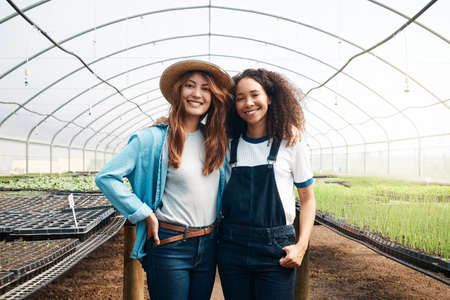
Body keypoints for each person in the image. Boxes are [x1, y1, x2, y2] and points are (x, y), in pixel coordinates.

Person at [95, 60, 232, 300]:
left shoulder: (216, 141)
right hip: (170, 244)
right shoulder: (153, 139)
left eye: (205, 88)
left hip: (209, 245)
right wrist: (143, 212)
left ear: (214, 97)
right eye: (190, 85)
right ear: (178, 91)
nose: (197, 94)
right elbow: (107, 177)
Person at [218, 68, 316, 300]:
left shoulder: (291, 144)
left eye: (255, 95)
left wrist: (301, 246)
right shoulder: (228, 144)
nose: (248, 103)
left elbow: (308, 200)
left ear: (270, 97)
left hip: (276, 249)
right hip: (233, 245)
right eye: (240, 98)